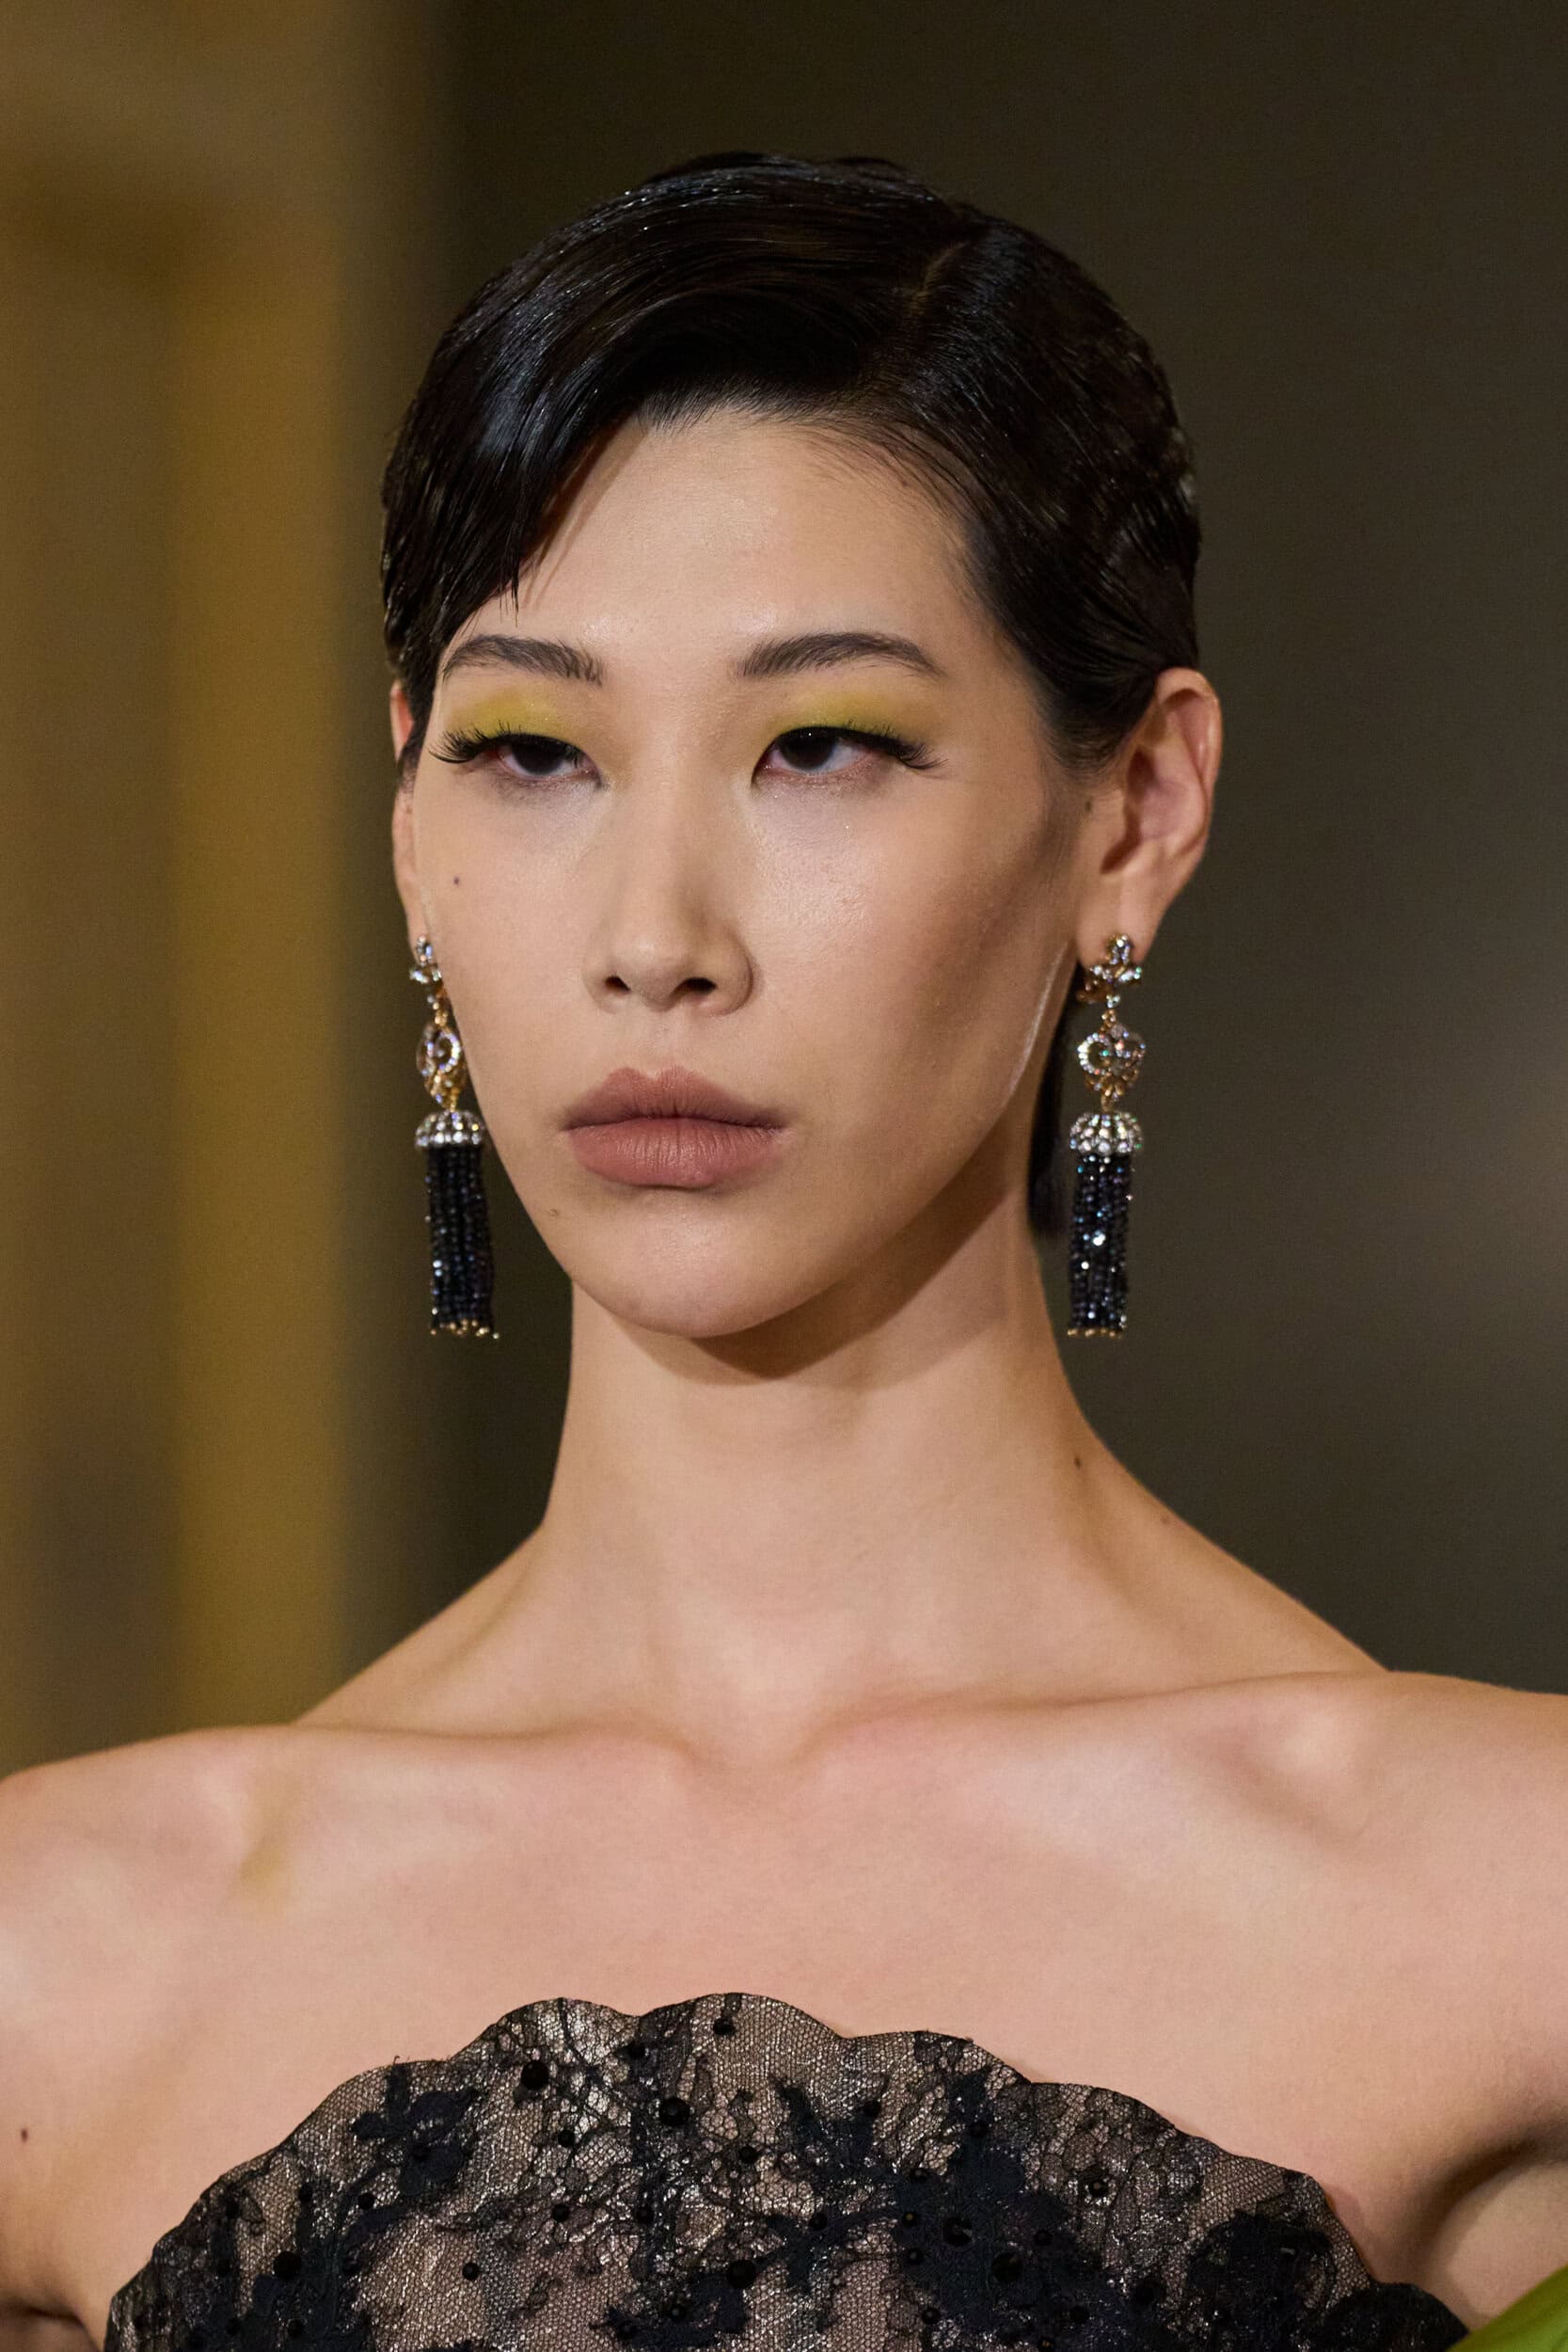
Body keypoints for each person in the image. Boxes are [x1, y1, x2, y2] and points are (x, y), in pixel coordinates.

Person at [0, 151, 1562, 2352]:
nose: (658, 936)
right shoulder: (69, 1960)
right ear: (410, 825)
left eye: (821, 743)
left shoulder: (1496, 1897)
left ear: (1136, 811)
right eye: (534, 751)